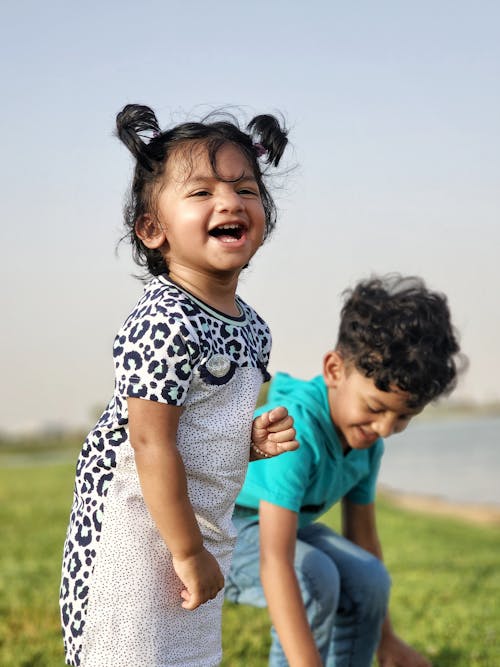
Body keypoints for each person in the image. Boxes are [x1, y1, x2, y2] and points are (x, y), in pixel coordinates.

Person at [59, 103, 298, 667]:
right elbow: (149, 442)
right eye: (201, 192)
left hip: (198, 529)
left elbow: (197, 428)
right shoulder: (165, 317)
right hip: (135, 533)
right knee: (133, 653)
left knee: (186, 657)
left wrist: (246, 442)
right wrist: (186, 551)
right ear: (153, 229)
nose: (230, 201)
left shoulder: (252, 329)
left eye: (245, 188)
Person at [226, 275, 465, 667]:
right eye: (374, 408)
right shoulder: (296, 434)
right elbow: (276, 562)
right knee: (316, 578)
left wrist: (386, 640)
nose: (385, 428)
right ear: (335, 369)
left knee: (369, 577)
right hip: (210, 534)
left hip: (270, 530)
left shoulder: (365, 443)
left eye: (404, 416)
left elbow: (363, 540)